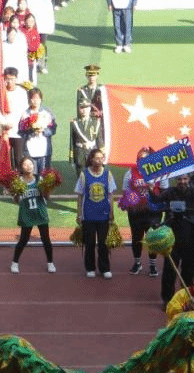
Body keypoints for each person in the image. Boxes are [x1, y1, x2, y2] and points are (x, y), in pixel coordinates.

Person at [157, 173, 194, 306]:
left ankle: (187, 297)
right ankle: (168, 299)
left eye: (185, 179)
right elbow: (156, 199)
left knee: (189, 270)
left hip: (191, 237)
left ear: (189, 180)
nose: (182, 181)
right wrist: (150, 188)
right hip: (172, 237)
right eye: (180, 179)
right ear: (175, 180)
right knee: (169, 270)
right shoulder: (169, 192)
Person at [75, 148, 117, 278]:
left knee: (103, 243)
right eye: (97, 158)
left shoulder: (108, 174)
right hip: (88, 214)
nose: (99, 160)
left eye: (101, 158)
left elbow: (111, 195)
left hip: (103, 213)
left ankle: (105, 268)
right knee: (90, 243)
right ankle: (90, 268)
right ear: (91, 159)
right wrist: (79, 214)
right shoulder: (84, 174)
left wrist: (112, 212)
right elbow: (80, 195)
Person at [10, 156, 55, 273]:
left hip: (40, 212)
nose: (29, 166)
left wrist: (47, 189)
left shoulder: (39, 179)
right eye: (25, 164)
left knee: (46, 239)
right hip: (27, 214)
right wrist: (16, 193)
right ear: (21, 167)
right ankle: (15, 263)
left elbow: (47, 197)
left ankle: (50, 263)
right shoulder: (18, 181)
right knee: (23, 239)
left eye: (30, 164)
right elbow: (16, 200)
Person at [124, 146, 164, 277]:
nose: (143, 161)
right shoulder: (130, 172)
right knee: (137, 238)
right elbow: (126, 191)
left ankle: (153, 265)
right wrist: (134, 203)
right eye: (140, 159)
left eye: (147, 159)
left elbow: (164, 192)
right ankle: (137, 263)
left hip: (153, 212)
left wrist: (154, 194)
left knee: (152, 238)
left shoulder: (160, 172)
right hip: (136, 212)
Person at [69, 99, 103, 174]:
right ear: (78, 108)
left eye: (86, 107)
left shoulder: (96, 123)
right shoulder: (74, 123)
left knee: (93, 177)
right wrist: (71, 159)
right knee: (81, 178)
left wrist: (102, 155)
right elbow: (72, 142)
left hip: (92, 154)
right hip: (80, 154)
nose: (84, 110)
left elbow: (99, 140)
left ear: (90, 108)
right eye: (82, 107)